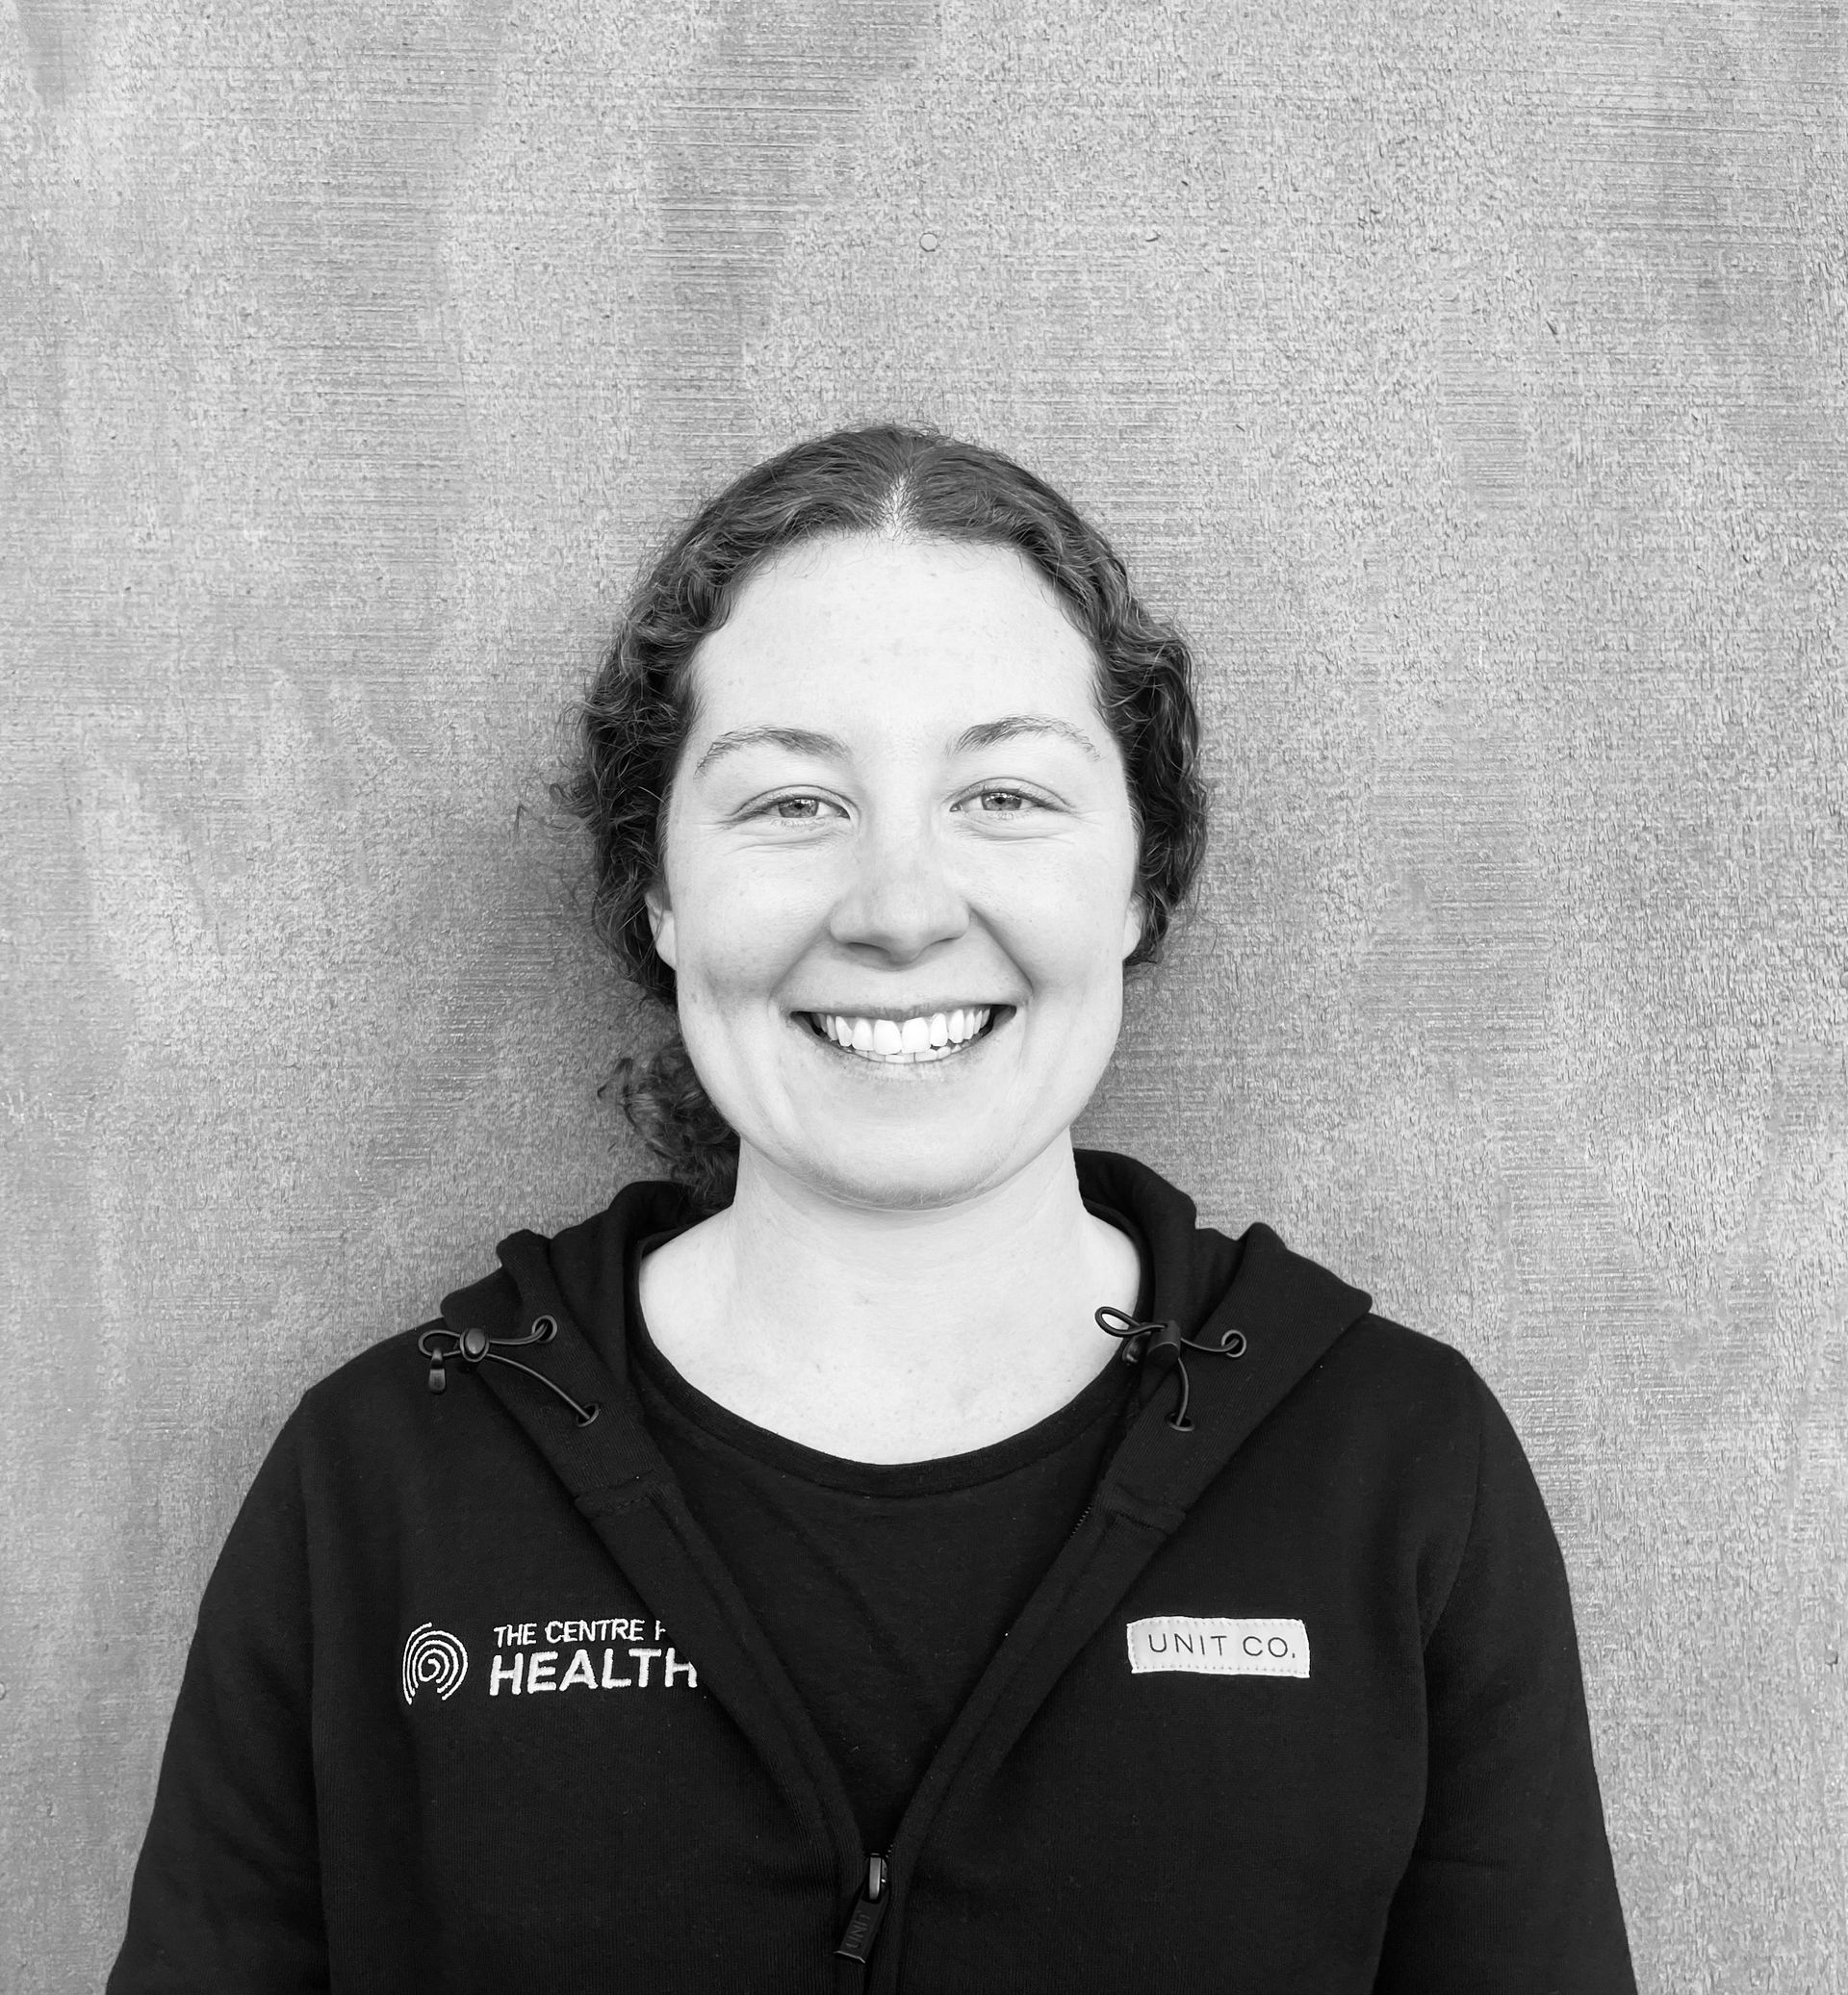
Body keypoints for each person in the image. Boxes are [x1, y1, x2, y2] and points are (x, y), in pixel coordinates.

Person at [109, 425, 1637, 1993]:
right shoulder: (379, 1490)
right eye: (790, 805)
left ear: (1138, 876)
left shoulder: (1394, 1469)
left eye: (1005, 794)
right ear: (659, 888)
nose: (900, 906)